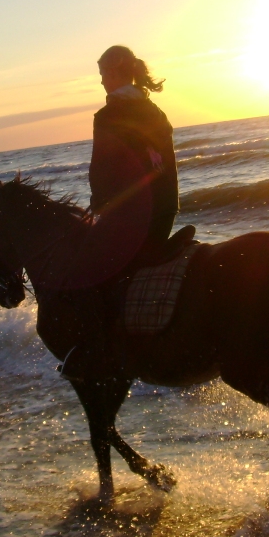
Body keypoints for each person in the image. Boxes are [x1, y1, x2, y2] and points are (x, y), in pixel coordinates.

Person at [60, 45, 189, 381]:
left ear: (115, 73)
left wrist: (101, 203)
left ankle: (97, 351)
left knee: (86, 271)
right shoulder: (155, 111)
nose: (102, 81)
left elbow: (101, 169)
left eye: (103, 74)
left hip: (134, 214)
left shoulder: (108, 115)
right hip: (164, 210)